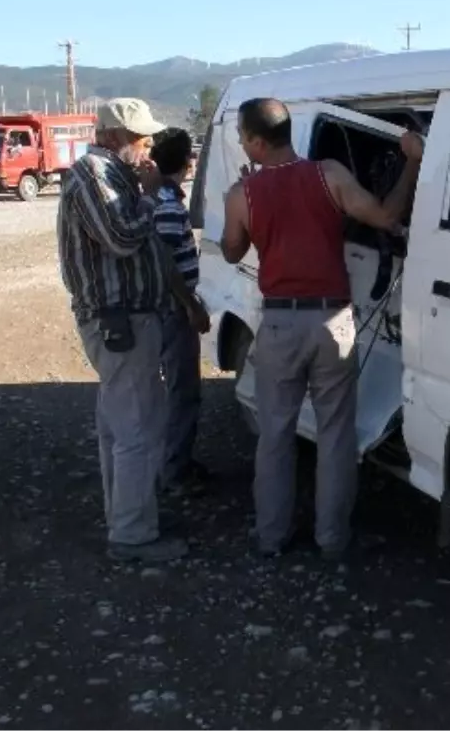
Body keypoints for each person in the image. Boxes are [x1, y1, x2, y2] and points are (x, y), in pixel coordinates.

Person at [219, 97, 424, 560]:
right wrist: (412, 163)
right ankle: (332, 539)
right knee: (336, 433)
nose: (240, 145)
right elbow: (387, 217)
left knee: (275, 434)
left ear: (255, 140)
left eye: (241, 138)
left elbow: (232, 252)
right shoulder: (329, 174)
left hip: (280, 323)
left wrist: (245, 215)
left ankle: (271, 538)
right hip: (333, 322)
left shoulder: (241, 195)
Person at [57, 97, 192, 563]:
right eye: (140, 137)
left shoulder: (114, 173)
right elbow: (121, 238)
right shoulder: (95, 174)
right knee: (135, 428)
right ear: (114, 138)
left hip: (128, 318)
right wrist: (152, 195)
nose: (148, 145)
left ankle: (131, 515)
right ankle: (133, 534)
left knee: (121, 425)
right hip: (120, 319)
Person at [149, 127, 212, 495]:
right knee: (182, 390)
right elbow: (168, 266)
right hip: (175, 311)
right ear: (188, 163)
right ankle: (175, 471)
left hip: (168, 309)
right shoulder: (170, 208)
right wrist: (192, 306)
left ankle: (175, 461)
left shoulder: (160, 199)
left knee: (175, 388)